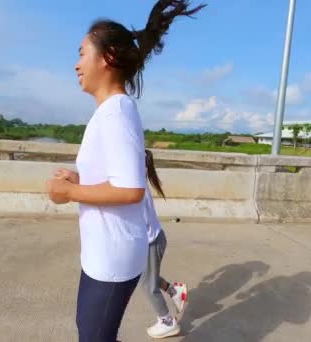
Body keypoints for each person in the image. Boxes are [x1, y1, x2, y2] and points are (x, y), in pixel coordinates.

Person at [46, 1, 205, 341]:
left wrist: (70, 192)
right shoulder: (110, 112)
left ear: (107, 58)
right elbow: (117, 179)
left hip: (112, 256)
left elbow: (130, 190)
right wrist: (79, 181)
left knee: (94, 336)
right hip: (102, 251)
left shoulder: (117, 111)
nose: (75, 65)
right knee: (89, 330)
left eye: (81, 53)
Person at [141, 149, 188, 339]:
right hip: (151, 240)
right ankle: (174, 290)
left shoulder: (137, 189)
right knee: (146, 277)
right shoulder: (136, 183)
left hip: (152, 242)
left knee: (147, 284)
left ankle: (167, 321)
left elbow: (141, 225)